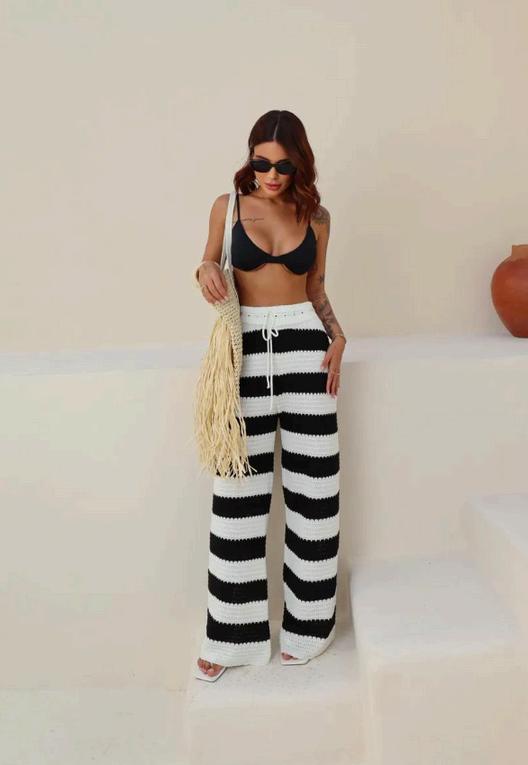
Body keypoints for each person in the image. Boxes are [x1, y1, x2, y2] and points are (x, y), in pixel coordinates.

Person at [194, 109, 346, 680]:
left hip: (308, 351)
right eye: (262, 163)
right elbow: (209, 261)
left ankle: (311, 627)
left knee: (315, 495)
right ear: (250, 160)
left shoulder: (317, 217)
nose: (272, 176)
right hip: (245, 355)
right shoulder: (229, 207)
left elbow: (317, 287)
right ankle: (231, 637)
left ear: (300, 165)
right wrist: (203, 271)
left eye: (284, 167)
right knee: (237, 496)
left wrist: (338, 337)